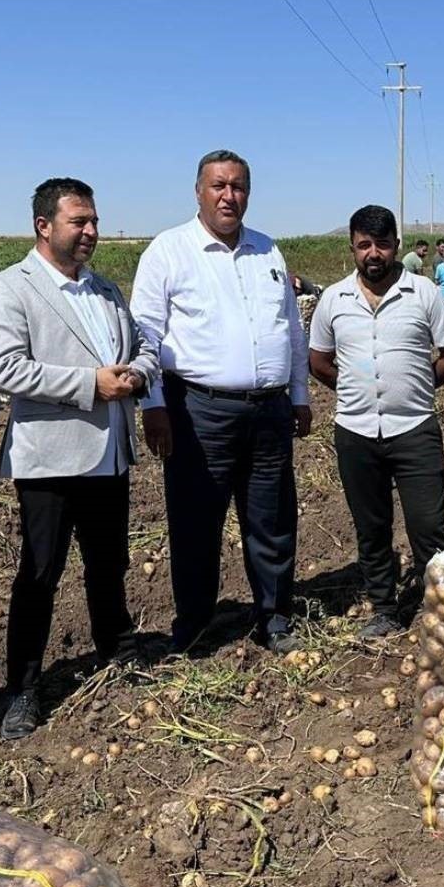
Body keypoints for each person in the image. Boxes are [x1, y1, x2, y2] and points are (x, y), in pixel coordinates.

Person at [0, 178, 159, 739]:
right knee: (39, 573)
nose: (91, 232)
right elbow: (5, 369)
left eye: (94, 221)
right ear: (44, 226)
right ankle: (24, 688)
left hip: (108, 453)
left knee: (109, 562)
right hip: (49, 460)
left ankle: (116, 646)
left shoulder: (105, 290)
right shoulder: (9, 287)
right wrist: (90, 384)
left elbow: (144, 344)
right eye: (79, 222)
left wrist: (140, 372)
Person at [129, 149, 310, 654]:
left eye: (239, 186)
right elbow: (145, 335)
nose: (229, 196)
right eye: (219, 186)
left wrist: (299, 395)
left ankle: (273, 616)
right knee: (196, 520)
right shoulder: (168, 251)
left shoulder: (267, 251)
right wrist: (154, 406)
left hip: (269, 409)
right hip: (198, 409)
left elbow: (291, 330)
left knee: (271, 517)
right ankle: (195, 623)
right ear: (199, 192)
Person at [308, 205, 444, 638]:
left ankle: (442, 607)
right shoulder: (334, 299)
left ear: (396, 245)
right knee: (371, 526)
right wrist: (350, 387)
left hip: (414, 428)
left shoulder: (424, 293)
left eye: (381, 244)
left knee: (428, 525)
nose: (373, 253)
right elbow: (318, 360)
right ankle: (384, 607)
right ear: (353, 248)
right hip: (356, 431)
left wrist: (420, 384)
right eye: (364, 245)